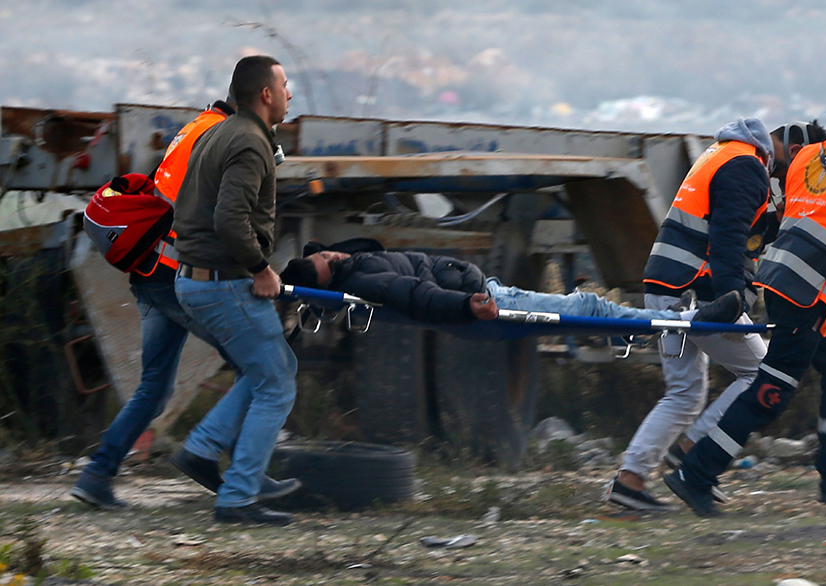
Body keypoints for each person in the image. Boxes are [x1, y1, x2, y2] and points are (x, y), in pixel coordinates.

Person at [666, 67, 826, 517]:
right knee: (771, 390)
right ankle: (696, 473)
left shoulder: (810, 155)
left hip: (784, 280)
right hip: (805, 292)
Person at [70, 99, 301, 509]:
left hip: (151, 271)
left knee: (155, 388)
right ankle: (228, 466)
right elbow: (192, 208)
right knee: (261, 365)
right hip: (171, 272)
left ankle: (97, 475)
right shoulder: (218, 136)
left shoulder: (198, 127)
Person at [605, 117, 826, 512]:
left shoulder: (725, 153)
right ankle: (688, 457)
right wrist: (734, 294)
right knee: (760, 373)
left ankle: (633, 480)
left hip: (670, 285)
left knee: (686, 392)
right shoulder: (746, 167)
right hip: (694, 293)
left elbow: (732, 227)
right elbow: (728, 237)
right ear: (794, 154)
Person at [171, 55, 297, 526]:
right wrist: (261, 269)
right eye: (285, 85)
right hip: (223, 283)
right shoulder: (249, 142)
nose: (289, 94)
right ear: (266, 94)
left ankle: (203, 451)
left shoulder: (219, 130)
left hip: (193, 281)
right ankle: (239, 496)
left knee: (263, 370)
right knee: (278, 383)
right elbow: (229, 219)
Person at [278, 237, 735, 326]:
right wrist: (466, 306)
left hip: (483, 290)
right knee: (591, 308)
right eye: (326, 259)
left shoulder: (354, 263)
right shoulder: (365, 276)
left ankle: (685, 316)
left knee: (592, 309)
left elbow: (365, 243)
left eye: (324, 250)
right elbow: (416, 295)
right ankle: (686, 318)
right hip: (489, 297)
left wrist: (332, 257)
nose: (332, 254)